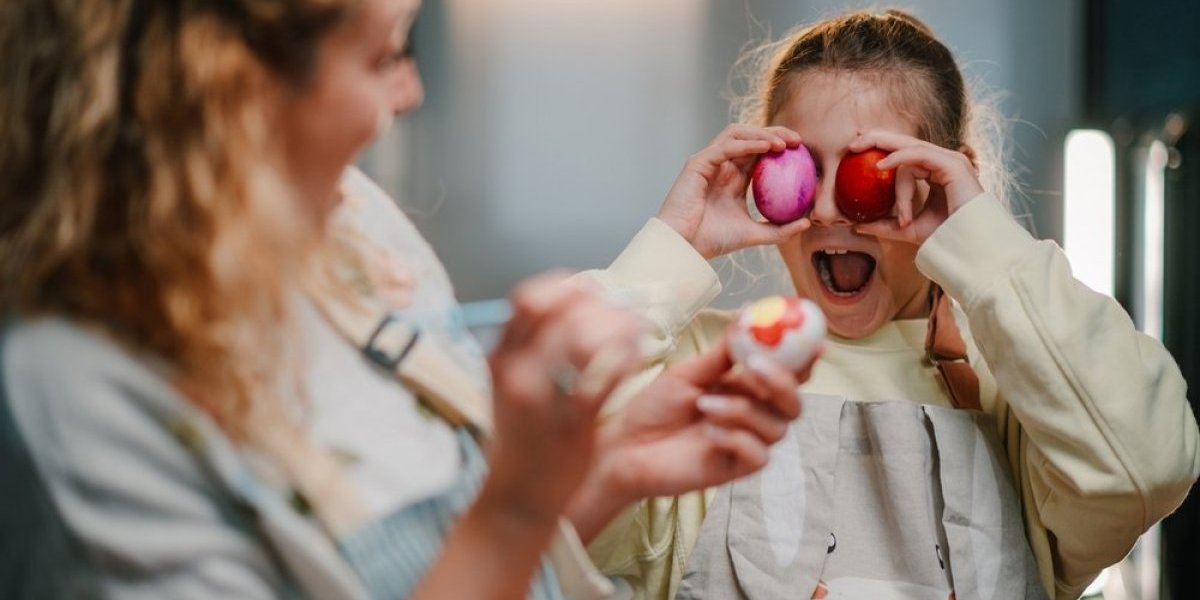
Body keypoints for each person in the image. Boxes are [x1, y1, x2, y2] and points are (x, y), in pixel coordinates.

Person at [0, 0, 815, 598]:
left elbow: (470, 553)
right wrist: (515, 506)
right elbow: (487, 538)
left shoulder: (353, 224)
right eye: (385, 54)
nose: (410, 92)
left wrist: (608, 469)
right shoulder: (78, 394)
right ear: (227, 88)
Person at [581, 9, 1200, 600]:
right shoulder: (699, 371)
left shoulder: (1021, 388)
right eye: (800, 168)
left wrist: (980, 240)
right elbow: (545, 489)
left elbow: (1145, 467)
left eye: (868, 169)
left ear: (946, 183)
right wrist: (672, 249)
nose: (827, 210)